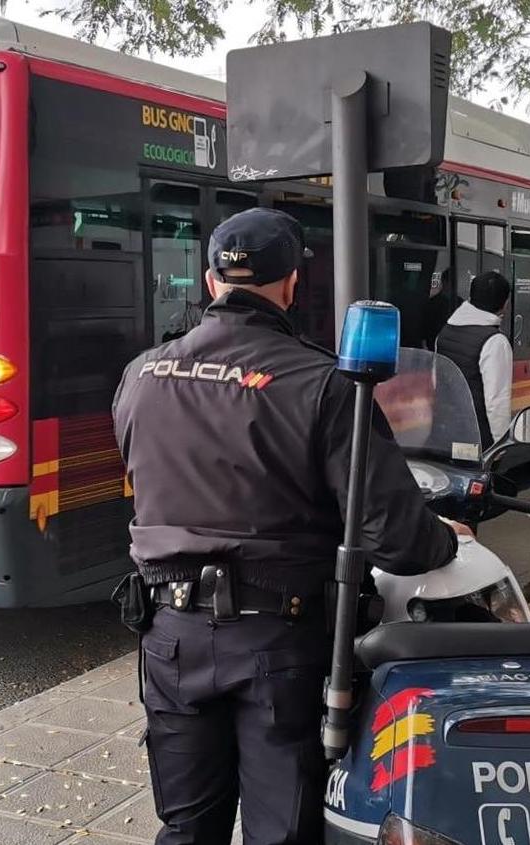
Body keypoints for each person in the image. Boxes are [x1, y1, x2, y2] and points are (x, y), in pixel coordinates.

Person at [111, 208, 464, 845]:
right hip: (277, 643)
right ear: (292, 283)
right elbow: (395, 538)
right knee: (282, 833)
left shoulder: (142, 374)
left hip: (169, 636)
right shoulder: (322, 382)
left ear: (211, 280)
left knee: (185, 828)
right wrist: (443, 538)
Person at [435, 270, 514, 448]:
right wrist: (501, 445)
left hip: (444, 431)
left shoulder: (445, 332)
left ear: (471, 297)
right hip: (476, 438)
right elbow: (496, 402)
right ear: (505, 304)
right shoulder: (495, 341)